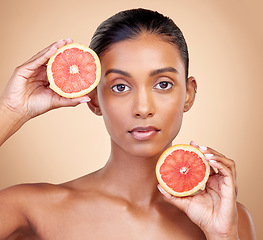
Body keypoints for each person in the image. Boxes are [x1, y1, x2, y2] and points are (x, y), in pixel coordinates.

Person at [0, 8, 256, 240]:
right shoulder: (27, 210)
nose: (143, 108)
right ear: (94, 100)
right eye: (120, 87)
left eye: (163, 84)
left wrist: (222, 236)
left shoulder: (227, 220)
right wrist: (10, 111)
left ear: (188, 94)